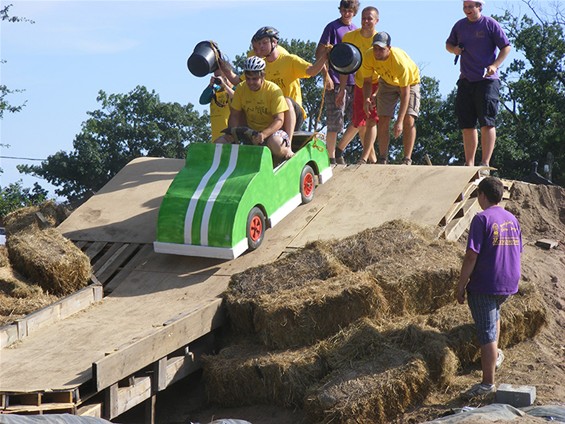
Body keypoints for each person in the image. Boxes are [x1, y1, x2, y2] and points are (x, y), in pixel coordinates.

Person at [456, 176, 522, 400]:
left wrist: (461, 284)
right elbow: (517, 250)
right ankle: (496, 356)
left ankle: (487, 384)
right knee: (495, 317)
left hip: (486, 284)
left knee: (486, 334)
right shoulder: (512, 218)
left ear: (483, 195)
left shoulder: (481, 219)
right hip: (508, 283)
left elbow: (470, 255)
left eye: (478, 196)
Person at [221, 27, 331, 143]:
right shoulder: (260, 65)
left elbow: (312, 71)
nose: (261, 47)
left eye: (264, 43)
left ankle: (288, 143)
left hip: (290, 114)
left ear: (274, 43)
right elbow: (239, 81)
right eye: (259, 44)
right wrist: (222, 64)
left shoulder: (289, 60)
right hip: (270, 113)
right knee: (240, 101)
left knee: (286, 100)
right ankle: (240, 140)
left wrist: (324, 58)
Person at [446, 0, 511, 168]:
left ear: (479, 7)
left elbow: (506, 47)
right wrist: (454, 50)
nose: (467, 10)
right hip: (466, 80)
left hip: (487, 80)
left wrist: (494, 65)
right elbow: (448, 44)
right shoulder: (459, 26)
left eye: (470, 7)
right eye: (465, 7)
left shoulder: (490, 24)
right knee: (467, 124)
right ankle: (469, 164)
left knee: (487, 122)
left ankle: (485, 163)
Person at [213, 56, 293, 161]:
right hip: (250, 133)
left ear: (263, 76)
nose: (251, 82)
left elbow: (279, 120)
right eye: (248, 79)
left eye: (255, 79)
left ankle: (283, 157)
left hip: (272, 133)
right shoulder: (241, 88)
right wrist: (231, 133)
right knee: (219, 143)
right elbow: (235, 115)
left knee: (275, 143)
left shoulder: (273, 90)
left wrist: (264, 134)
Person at [360, 32, 420, 165]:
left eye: (381, 49)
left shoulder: (399, 62)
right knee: (383, 119)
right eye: (375, 48)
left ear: (389, 48)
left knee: (408, 119)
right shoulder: (369, 56)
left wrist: (399, 121)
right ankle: (382, 158)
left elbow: (405, 94)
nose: (377, 52)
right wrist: (367, 99)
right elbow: (367, 81)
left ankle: (407, 158)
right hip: (387, 82)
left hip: (409, 84)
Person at [316, 0, 360, 164]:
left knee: (358, 120)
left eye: (350, 10)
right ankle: (331, 157)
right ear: (340, 10)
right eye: (344, 9)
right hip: (335, 79)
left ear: (354, 11)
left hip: (355, 81)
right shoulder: (332, 27)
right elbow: (320, 52)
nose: (346, 13)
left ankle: (341, 148)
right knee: (334, 121)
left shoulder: (356, 30)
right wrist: (325, 76)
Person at [338, 6, 380, 164]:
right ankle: (372, 159)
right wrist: (341, 89)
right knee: (359, 121)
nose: (366, 21)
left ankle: (344, 150)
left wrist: (376, 94)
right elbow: (344, 65)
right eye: (364, 18)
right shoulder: (349, 37)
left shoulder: (379, 39)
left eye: (370, 18)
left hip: (376, 82)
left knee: (371, 120)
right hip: (360, 82)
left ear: (376, 21)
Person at [199, 69, 235, 141]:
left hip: (229, 136)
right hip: (216, 136)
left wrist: (225, 85)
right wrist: (210, 85)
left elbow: (237, 97)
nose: (218, 78)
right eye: (216, 76)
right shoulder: (215, 91)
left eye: (220, 76)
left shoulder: (235, 88)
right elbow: (202, 100)